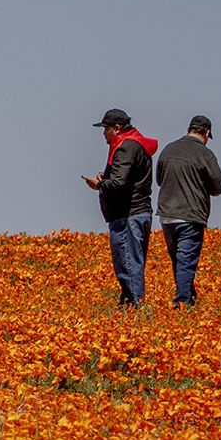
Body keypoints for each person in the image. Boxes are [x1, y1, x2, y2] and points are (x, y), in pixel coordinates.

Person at [83, 108, 157, 308]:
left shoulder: (125, 148)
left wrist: (99, 184)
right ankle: (128, 305)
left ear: (116, 128)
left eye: (106, 129)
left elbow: (119, 183)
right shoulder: (138, 144)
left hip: (127, 214)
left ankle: (135, 307)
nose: (104, 134)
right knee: (133, 262)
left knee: (127, 263)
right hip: (140, 211)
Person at [154, 115, 221, 308]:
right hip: (190, 215)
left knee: (178, 259)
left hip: (167, 215)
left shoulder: (168, 149)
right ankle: (182, 302)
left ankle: (189, 298)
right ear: (207, 133)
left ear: (189, 129)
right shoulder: (205, 154)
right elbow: (218, 186)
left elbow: (159, 180)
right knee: (185, 260)